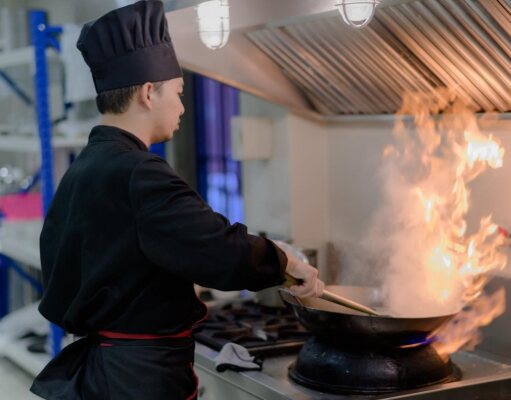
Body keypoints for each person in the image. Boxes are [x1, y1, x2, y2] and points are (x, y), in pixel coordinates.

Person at [29, 1, 324, 399]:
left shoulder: (90, 165)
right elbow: (217, 249)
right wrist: (285, 261)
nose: (184, 107)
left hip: (111, 370)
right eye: (180, 93)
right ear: (150, 93)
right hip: (139, 379)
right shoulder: (138, 172)